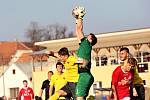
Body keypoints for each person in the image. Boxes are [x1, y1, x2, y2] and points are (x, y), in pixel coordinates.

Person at [72, 6, 97, 100]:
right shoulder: (84, 45)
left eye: (88, 37)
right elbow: (77, 31)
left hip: (84, 75)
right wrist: (76, 19)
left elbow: (80, 29)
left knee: (79, 98)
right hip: (85, 74)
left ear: (90, 40)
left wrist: (80, 17)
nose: (86, 37)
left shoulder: (86, 44)